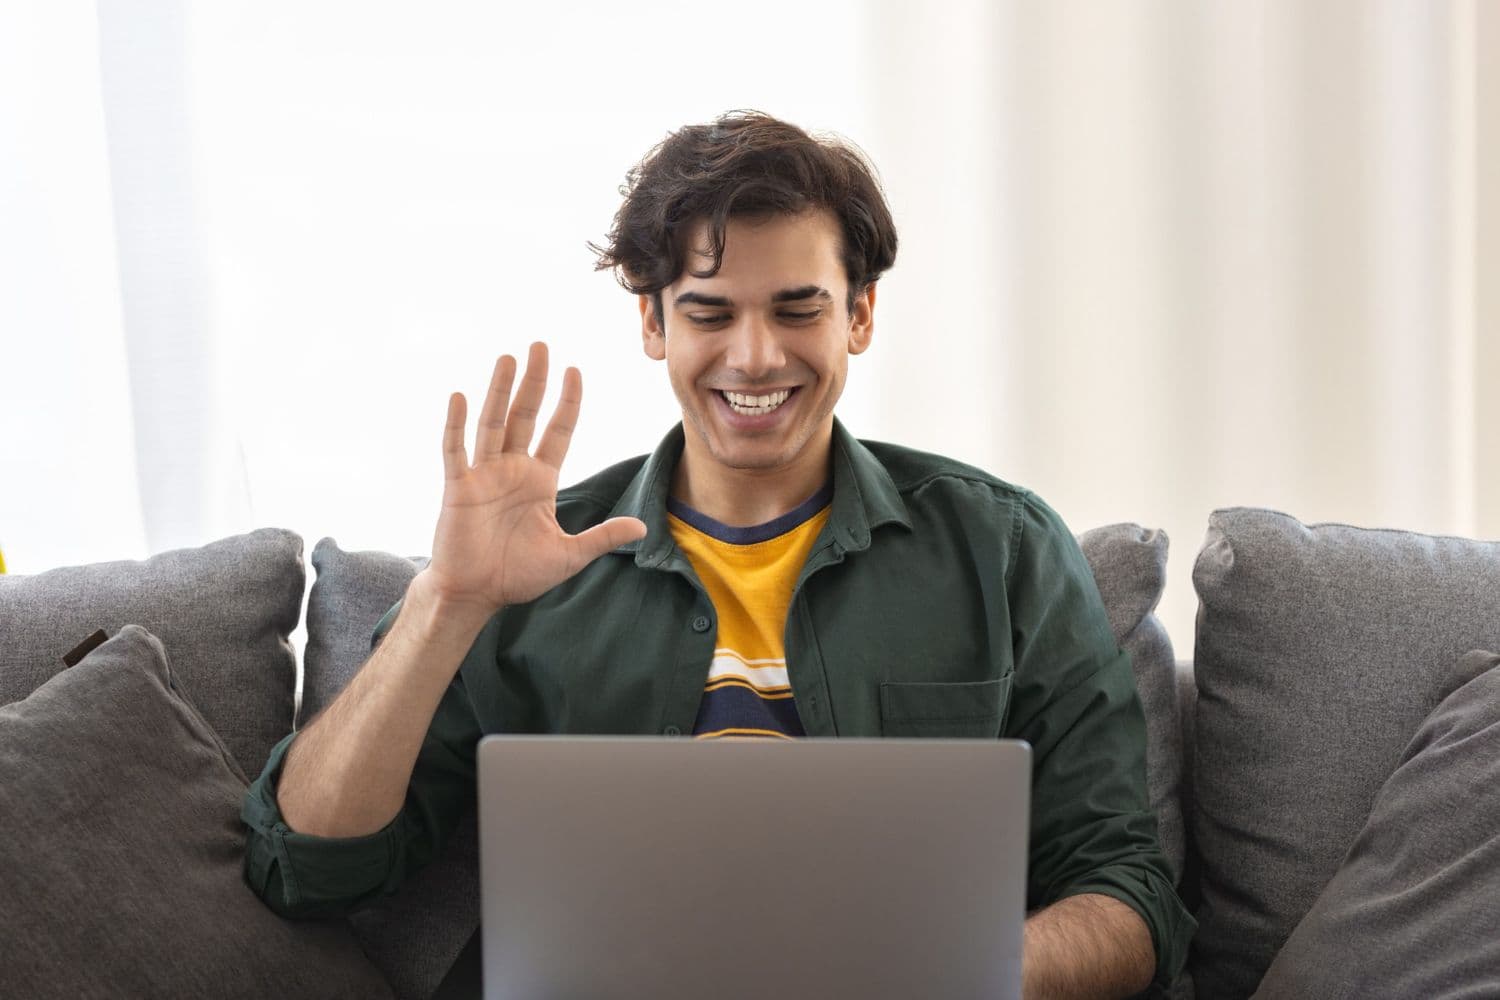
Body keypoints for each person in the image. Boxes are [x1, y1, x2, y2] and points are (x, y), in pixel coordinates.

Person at [242, 111, 1194, 998]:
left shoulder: (1004, 552)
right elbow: (309, 868)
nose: (754, 356)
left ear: (858, 315)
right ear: (652, 324)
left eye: (797, 309)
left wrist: (945, 976)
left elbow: (1128, 895)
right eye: (708, 314)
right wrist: (445, 605)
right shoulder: (529, 566)